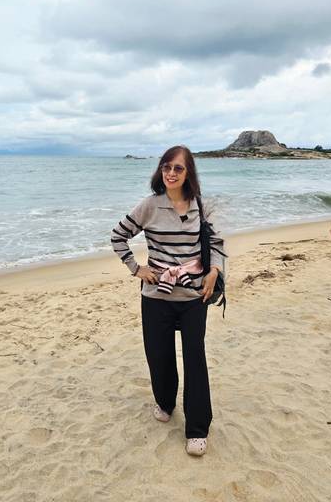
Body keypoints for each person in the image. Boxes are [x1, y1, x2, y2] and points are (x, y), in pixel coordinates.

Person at [110, 145, 226, 456]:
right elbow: (118, 236)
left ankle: (198, 428)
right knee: (159, 356)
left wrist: (215, 270)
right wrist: (137, 269)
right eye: (166, 167)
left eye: (178, 168)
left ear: (189, 173)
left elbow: (216, 243)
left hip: (193, 295)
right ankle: (164, 402)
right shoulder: (149, 206)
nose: (171, 173)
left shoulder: (203, 205)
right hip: (156, 296)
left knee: (195, 359)